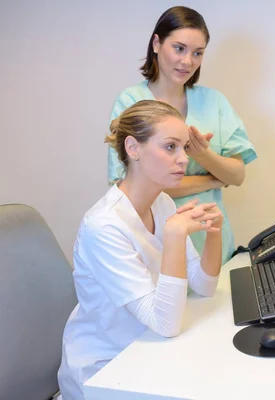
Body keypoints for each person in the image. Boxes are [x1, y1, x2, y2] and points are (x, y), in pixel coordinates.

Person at [58, 100, 224, 400]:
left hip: (149, 350)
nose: (184, 159)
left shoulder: (162, 204)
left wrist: (213, 233)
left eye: (185, 148)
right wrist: (174, 235)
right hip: (107, 369)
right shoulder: (104, 226)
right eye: (171, 147)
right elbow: (165, 323)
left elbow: (204, 286)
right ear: (133, 148)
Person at [108, 6, 257, 264]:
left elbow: (237, 175)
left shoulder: (214, 102)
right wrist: (212, 181)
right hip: (158, 245)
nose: (187, 61)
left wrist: (204, 155)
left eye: (197, 53)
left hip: (213, 244)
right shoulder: (131, 102)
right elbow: (130, 186)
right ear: (156, 43)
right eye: (179, 48)